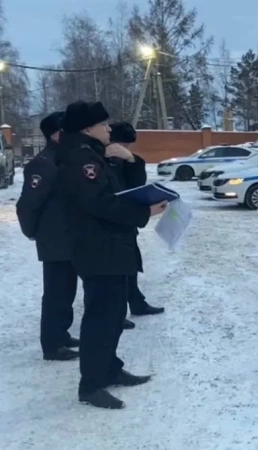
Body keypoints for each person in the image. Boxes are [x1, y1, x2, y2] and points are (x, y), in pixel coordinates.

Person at [56, 101, 167, 409]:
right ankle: (90, 386)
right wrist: (144, 212)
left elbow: (123, 189)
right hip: (97, 249)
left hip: (113, 248)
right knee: (100, 318)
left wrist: (131, 160)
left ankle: (109, 369)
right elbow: (101, 204)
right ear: (87, 129)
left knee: (115, 315)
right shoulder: (80, 160)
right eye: (103, 125)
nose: (109, 129)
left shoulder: (96, 154)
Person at [16, 111, 80, 361]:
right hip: (54, 237)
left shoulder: (63, 158)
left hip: (69, 235)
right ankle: (51, 345)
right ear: (55, 134)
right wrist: (32, 231)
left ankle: (61, 333)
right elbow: (28, 204)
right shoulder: (44, 163)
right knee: (56, 292)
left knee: (68, 289)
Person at [109, 121, 165, 329]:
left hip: (127, 222)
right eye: (123, 144)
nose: (127, 149)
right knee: (117, 270)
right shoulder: (103, 162)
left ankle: (136, 302)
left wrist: (132, 160)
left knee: (130, 263)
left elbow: (136, 185)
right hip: (113, 220)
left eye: (129, 146)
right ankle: (116, 311)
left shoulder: (129, 160)